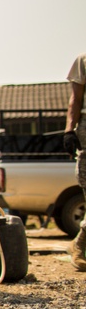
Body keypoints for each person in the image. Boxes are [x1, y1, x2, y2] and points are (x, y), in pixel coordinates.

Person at [64, 53, 86, 271]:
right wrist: (70, 129)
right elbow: (76, 99)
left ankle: (79, 242)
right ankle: (79, 246)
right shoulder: (83, 61)